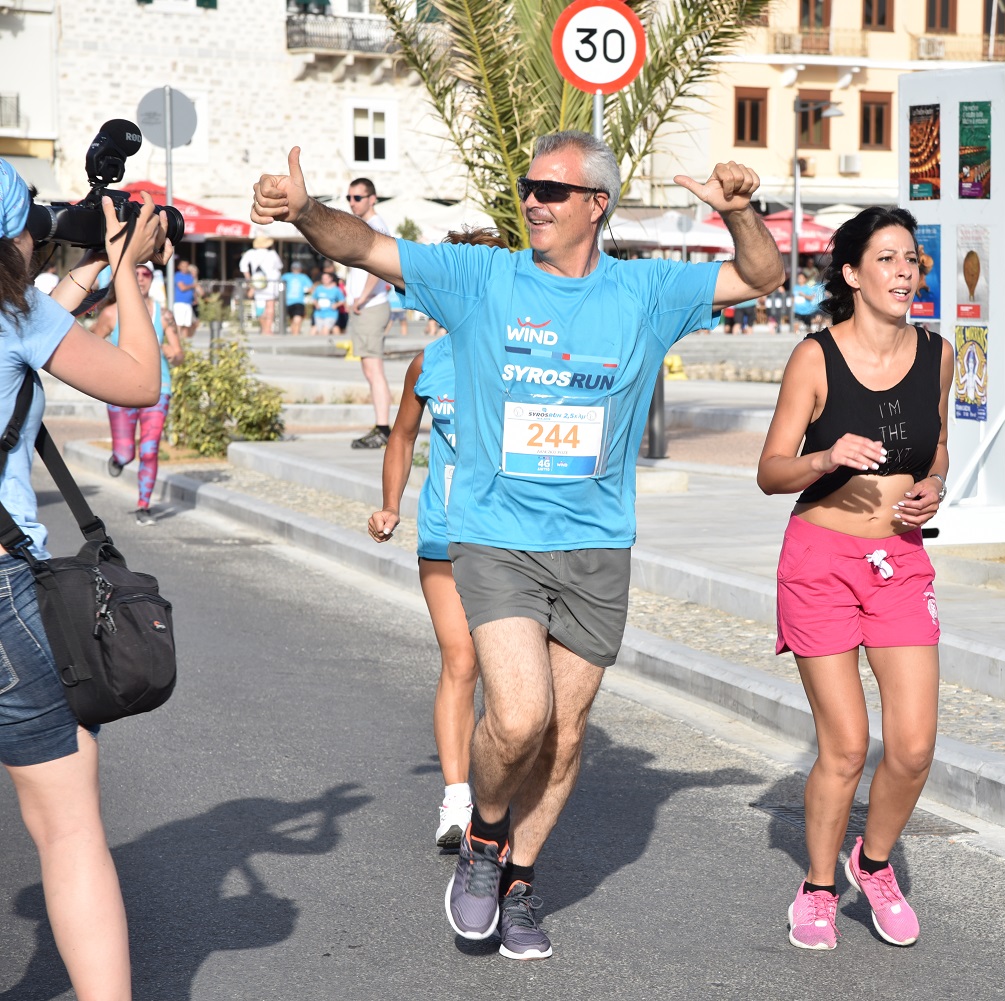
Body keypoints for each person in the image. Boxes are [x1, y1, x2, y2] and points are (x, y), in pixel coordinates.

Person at [252, 132, 784, 959]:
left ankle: (521, 882)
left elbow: (760, 276)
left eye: (553, 190)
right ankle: (485, 837)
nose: (533, 199)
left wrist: (741, 212)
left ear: (597, 205)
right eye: (529, 186)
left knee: (565, 735)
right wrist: (305, 211)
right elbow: (364, 246)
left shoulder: (646, 291)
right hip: (496, 537)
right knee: (520, 714)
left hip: (598, 544)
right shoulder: (482, 279)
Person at [756, 206, 953, 950]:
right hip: (820, 563)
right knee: (845, 745)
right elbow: (771, 471)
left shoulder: (938, 353)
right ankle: (816, 887)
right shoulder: (814, 357)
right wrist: (827, 455)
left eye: (912, 259)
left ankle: (872, 863)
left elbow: (937, 447)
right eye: (888, 258)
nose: (905, 271)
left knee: (913, 746)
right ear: (852, 273)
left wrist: (934, 485)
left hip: (900, 560)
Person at [1, 158, 169, 1001]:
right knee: (69, 833)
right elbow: (139, 381)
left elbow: (38, 323)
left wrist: (91, 269)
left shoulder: (26, 313)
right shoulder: (16, 314)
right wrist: (128, 269)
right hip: (3, 598)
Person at [367, 227, 504, 858]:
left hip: (515, 537)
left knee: (511, 673)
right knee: (462, 660)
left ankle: (504, 786)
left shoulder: (528, 356)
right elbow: (401, 436)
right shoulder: (430, 362)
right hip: (447, 532)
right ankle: (457, 798)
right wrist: (391, 504)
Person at [94, 262, 185, 526]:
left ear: (152, 279)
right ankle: (119, 457)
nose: (141, 278)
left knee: (149, 448)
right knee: (126, 453)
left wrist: (172, 353)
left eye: (146, 274)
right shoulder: (111, 313)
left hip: (158, 388)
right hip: (120, 390)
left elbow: (179, 354)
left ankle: (144, 505)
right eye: (136, 273)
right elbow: (92, 344)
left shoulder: (163, 315)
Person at [343, 178, 394, 449]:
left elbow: (380, 266)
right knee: (369, 368)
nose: (352, 203)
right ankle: (381, 426)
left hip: (371, 307)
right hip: (366, 307)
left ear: (372, 199)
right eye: (349, 197)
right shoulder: (366, 225)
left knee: (374, 369)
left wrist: (362, 297)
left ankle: (383, 428)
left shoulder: (376, 226)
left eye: (357, 197)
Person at [239, 236, 283, 336]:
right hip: (271, 282)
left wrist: (249, 280)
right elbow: (279, 266)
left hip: (257, 282)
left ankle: (264, 329)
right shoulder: (272, 254)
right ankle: (268, 329)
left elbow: (243, 266)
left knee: (260, 306)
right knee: (270, 306)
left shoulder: (250, 253)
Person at [282, 259, 313, 335]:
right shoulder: (288, 276)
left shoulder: (287, 276)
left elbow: (311, 288)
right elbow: (311, 288)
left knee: (296, 319)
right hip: (290, 301)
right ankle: (295, 335)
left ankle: (295, 334)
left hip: (295, 302)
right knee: (294, 320)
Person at [310, 269, 344, 335]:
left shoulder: (336, 289)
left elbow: (342, 300)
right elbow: (313, 298)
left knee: (325, 330)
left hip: (331, 313)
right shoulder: (318, 288)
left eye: (326, 279)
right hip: (319, 313)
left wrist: (336, 305)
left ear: (330, 279)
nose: (324, 280)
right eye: (323, 279)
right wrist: (316, 304)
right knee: (318, 331)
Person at [172, 257, 197, 335]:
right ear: (179, 267)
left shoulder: (190, 276)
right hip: (180, 303)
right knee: (179, 323)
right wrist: (192, 285)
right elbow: (182, 287)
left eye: (186, 266)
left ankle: (184, 340)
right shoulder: (178, 275)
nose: (185, 268)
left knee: (187, 324)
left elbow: (194, 289)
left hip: (188, 303)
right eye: (183, 266)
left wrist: (195, 298)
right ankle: (178, 339)